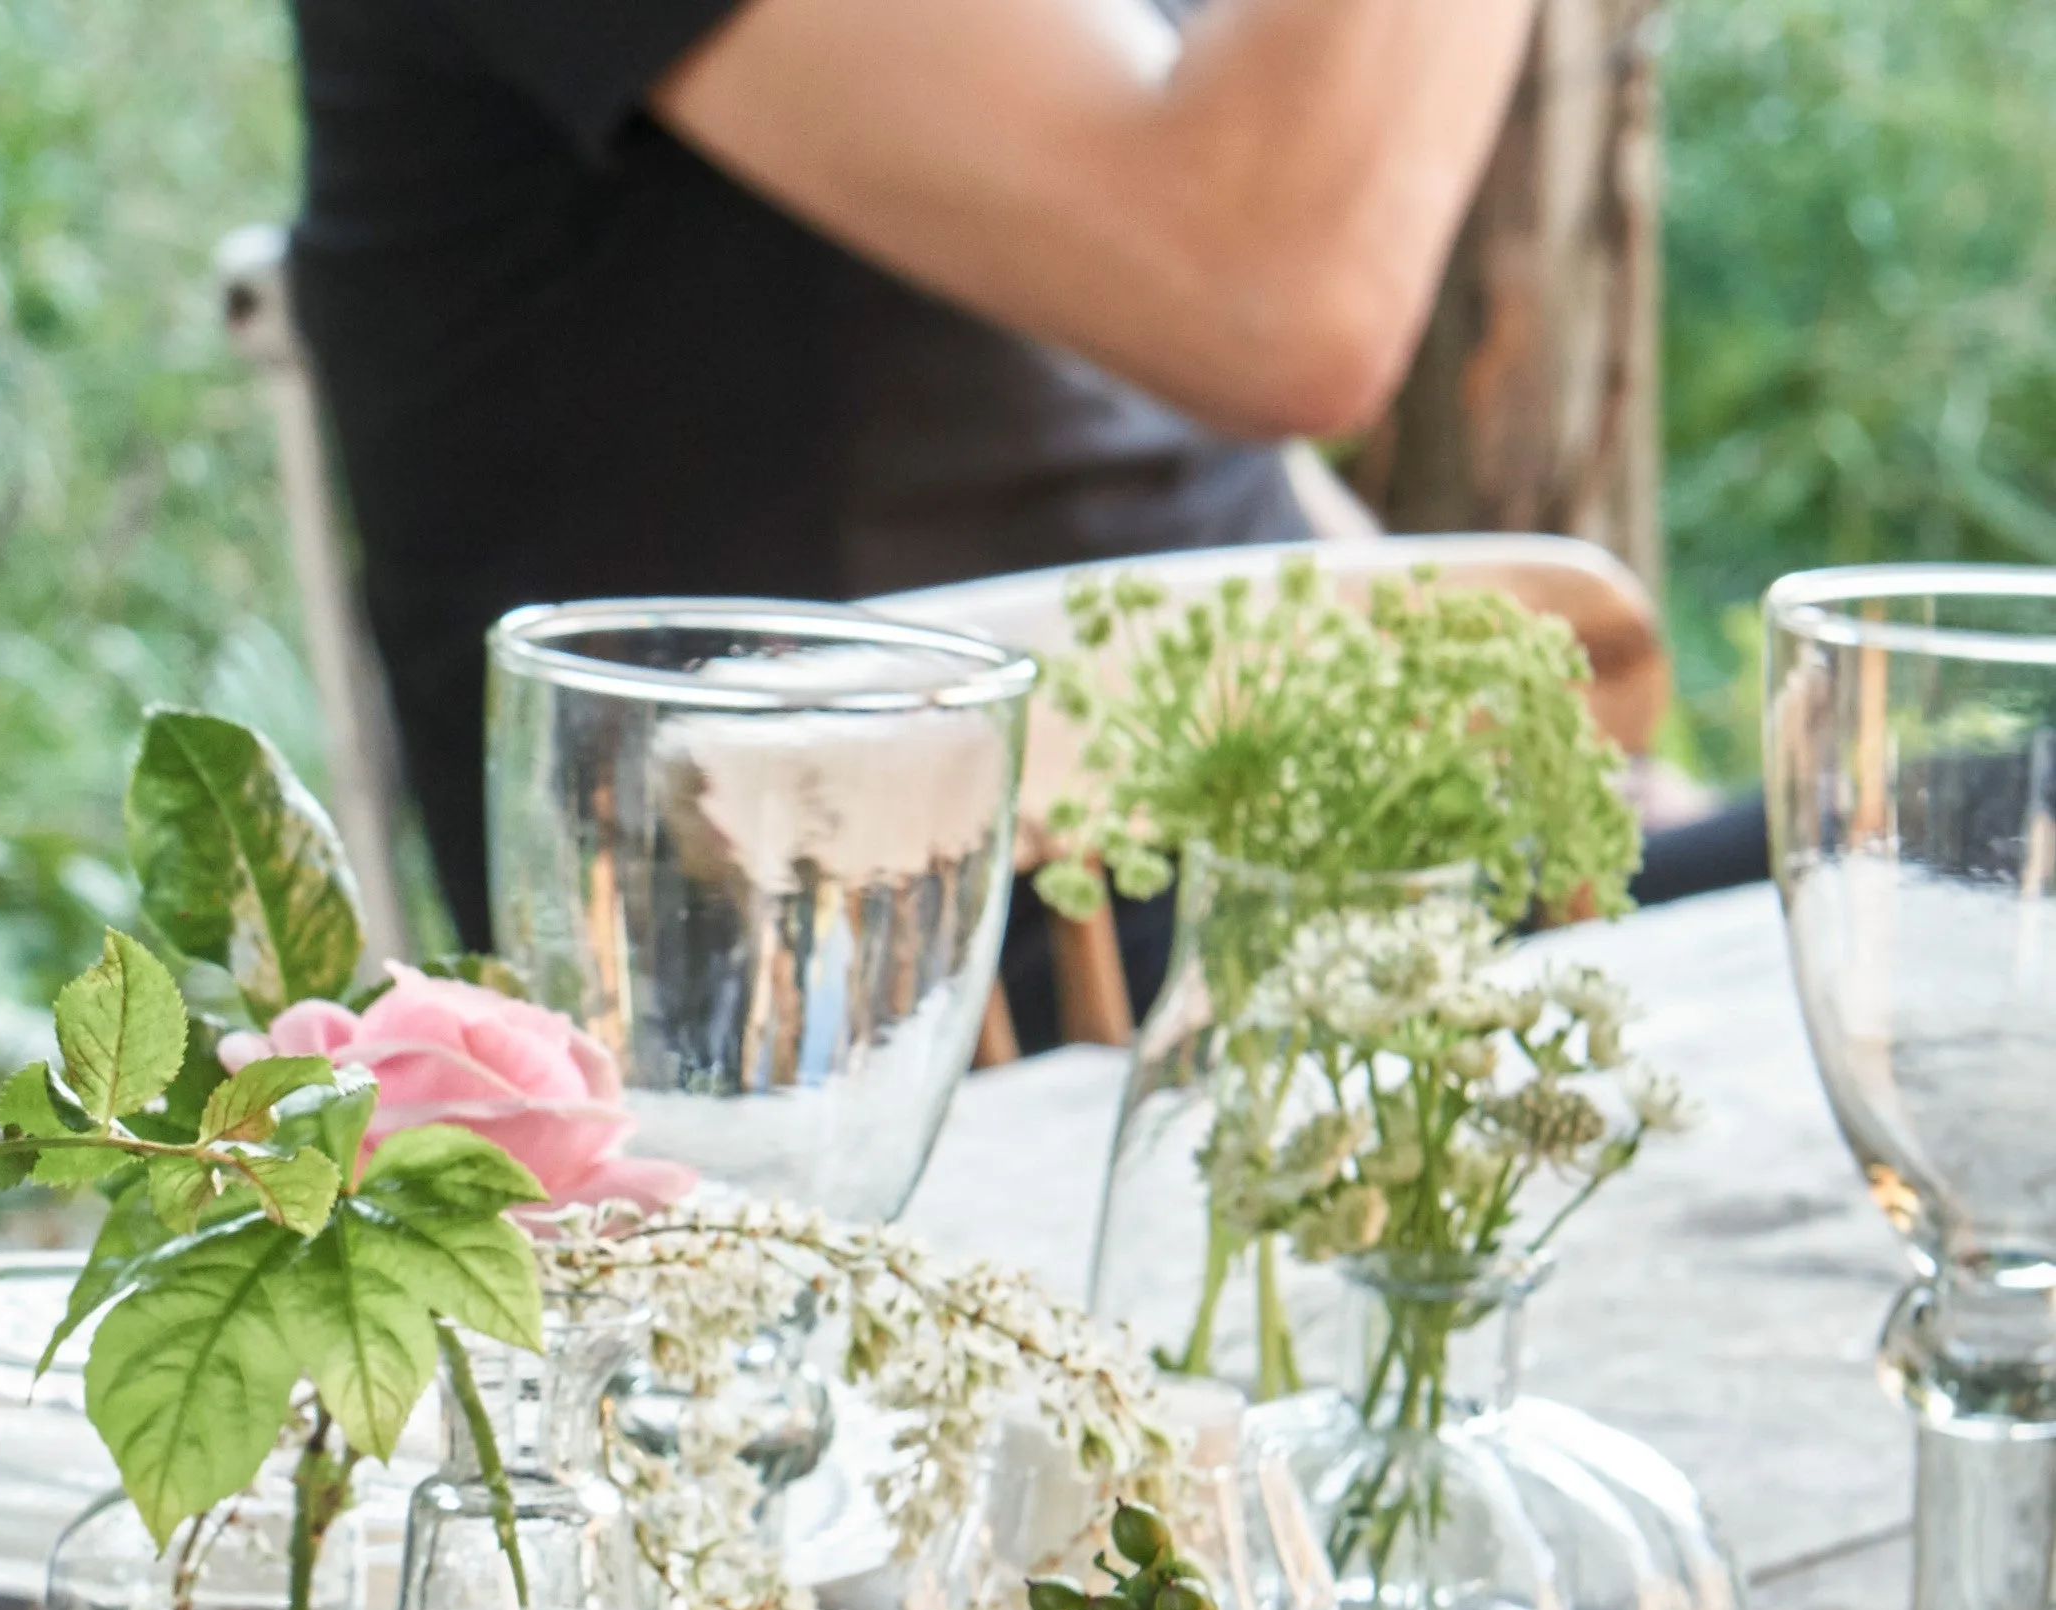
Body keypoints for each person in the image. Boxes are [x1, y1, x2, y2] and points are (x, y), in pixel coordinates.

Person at [284, 0, 1551, 939]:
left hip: (1229, 870)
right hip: (895, 993)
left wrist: (1495, 733)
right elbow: (1282, 290)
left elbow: (1197, 446)